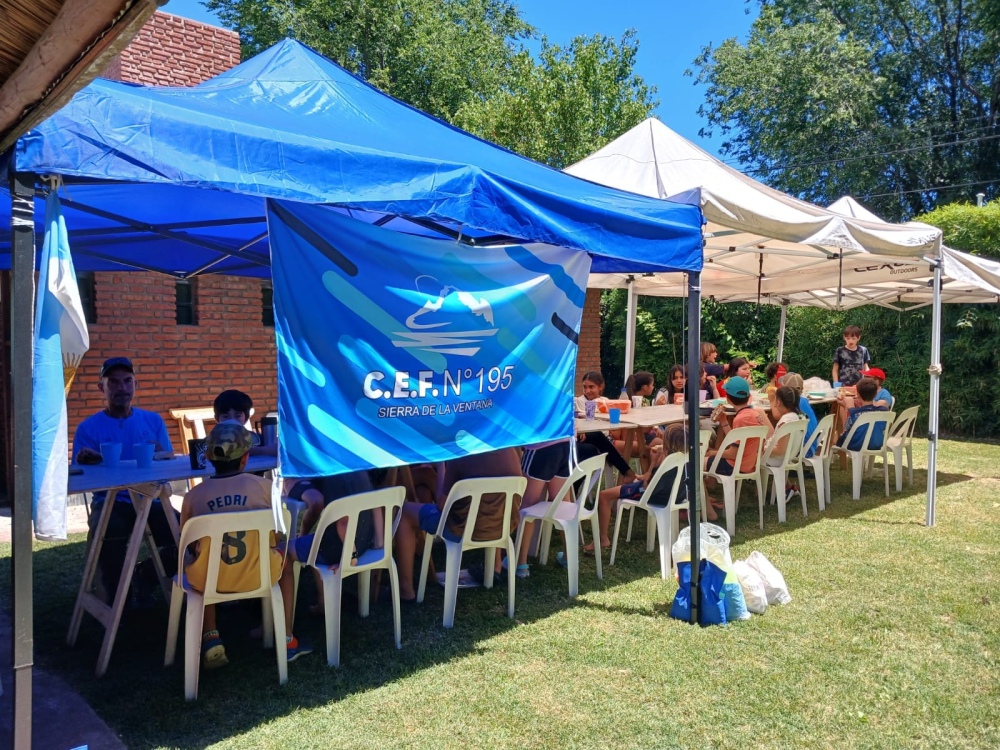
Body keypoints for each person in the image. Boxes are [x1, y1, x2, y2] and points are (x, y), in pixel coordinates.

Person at [180, 422, 310, 668]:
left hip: (209, 580)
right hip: (259, 575)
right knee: (285, 558)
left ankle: (211, 637)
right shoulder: (264, 488)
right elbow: (274, 538)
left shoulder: (193, 496)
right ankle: (287, 638)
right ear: (246, 458)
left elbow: (190, 544)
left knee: (198, 561)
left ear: (207, 457)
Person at [72, 357, 176, 601]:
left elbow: (168, 463)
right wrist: (90, 462)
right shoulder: (88, 428)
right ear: (102, 388)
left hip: (150, 498)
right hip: (110, 500)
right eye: (114, 382)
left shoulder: (153, 421)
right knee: (109, 538)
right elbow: (79, 475)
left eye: (127, 381)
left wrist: (162, 453)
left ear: (135, 385)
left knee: (188, 537)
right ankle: (119, 598)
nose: (121, 387)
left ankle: (145, 574)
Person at [394, 448, 524, 599]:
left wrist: (442, 465)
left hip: (463, 530)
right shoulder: (510, 448)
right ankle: (493, 568)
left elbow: (442, 505)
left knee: (404, 512)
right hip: (502, 527)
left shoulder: (461, 453)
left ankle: (406, 591)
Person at [284, 469, 383, 611]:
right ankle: (323, 602)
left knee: (285, 550)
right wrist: (380, 543)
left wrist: (351, 557)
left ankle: (295, 616)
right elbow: (376, 502)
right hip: (363, 542)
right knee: (317, 540)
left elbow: (343, 521)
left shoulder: (334, 477)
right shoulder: (360, 469)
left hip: (341, 548)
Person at [594, 423, 710, 532]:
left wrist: (652, 463)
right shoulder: (688, 458)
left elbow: (647, 486)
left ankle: (603, 538)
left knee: (604, 495)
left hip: (654, 496)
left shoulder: (665, 461)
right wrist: (645, 476)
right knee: (634, 481)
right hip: (677, 495)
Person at [517, 437, 571, 571]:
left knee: (528, 506)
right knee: (563, 503)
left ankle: (521, 563)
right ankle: (568, 557)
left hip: (542, 444)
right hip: (566, 443)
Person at [573, 371, 636, 483]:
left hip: (604, 438)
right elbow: (583, 420)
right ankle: (628, 472)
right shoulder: (580, 401)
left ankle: (630, 473)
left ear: (600, 387)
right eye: (585, 387)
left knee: (600, 437)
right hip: (590, 437)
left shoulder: (606, 401)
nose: (587, 391)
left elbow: (614, 430)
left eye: (591, 387)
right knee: (596, 436)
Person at [705, 375, 772, 478]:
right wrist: (724, 421)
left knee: (696, 463)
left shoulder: (741, 419)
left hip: (735, 466)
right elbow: (736, 439)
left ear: (728, 399)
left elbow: (733, 454)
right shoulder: (753, 414)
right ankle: (710, 484)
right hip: (749, 464)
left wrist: (712, 452)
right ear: (749, 396)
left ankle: (704, 493)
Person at [213, 388, 277, 457]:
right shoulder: (214, 440)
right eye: (225, 416)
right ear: (217, 419)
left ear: (246, 418)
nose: (232, 420)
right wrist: (265, 450)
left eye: (237, 416)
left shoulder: (257, 439)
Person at [836, 377, 889, 450]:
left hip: (855, 445)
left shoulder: (855, 413)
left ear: (858, 394)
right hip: (876, 445)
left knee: (837, 438)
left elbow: (846, 428)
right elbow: (871, 409)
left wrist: (846, 408)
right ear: (876, 394)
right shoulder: (883, 411)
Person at [780, 372, 819, 457]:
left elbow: (777, 416)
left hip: (802, 449)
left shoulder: (792, 404)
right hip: (812, 446)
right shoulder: (804, 401)